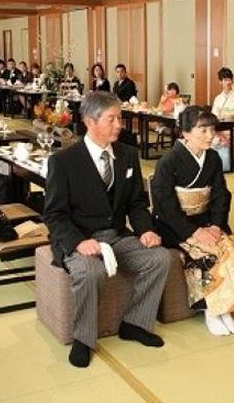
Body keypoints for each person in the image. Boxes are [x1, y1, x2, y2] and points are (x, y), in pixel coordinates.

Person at [44, 91, 170, 368]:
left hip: (115, 235)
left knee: (160, 258)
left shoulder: (128, 155)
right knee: (91, 271)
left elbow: (137, 202)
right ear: (90, 121)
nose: (119, 125)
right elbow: (54, 214)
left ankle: (135, 323)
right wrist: (78, 242)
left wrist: (145, 230)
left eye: (120, 118)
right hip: (81, 238)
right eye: (111, 119)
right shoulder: (63, 161)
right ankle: (83, 339)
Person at [151, 106, 234, 335]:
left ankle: (226, 308)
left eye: (212, 130)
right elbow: (164, 205)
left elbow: (220, 195)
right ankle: (210, 310)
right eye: (202, 130)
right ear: (184, 133)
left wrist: (216, 225)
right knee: (205, 255)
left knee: (227, 248)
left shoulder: (212, 158)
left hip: (205, 221)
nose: (210, 135)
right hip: (175, 225)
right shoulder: (169, 161)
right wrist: (192, 232)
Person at [211, 67, 234, 157]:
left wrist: (231, 124)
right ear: (220, 82)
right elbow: (214, 115)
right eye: (225, 80)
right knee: (212, 139)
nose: (228, 82)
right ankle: (215, 162)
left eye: (230, 79)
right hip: (220, 129)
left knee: (223, 140)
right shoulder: (218, 98)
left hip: (233, 129)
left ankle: (227, 161)